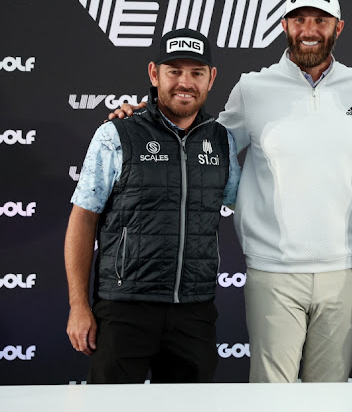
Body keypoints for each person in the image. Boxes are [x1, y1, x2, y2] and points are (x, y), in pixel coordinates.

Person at [110, 0, 352, 382]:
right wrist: (144, 115)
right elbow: (201, 139)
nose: (310, 28)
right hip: (273, 270)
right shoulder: (253, 88)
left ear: (338, 27)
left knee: (331, 396)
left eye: (320, 20)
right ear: (285, 25)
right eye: (299, 19)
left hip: (345, 269)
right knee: (272, 396)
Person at [65, 28, 241, 383]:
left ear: (211, 78)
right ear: (154, 73)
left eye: (196, 72)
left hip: (194, 310)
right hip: (123, 308)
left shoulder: (223, 141)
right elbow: (82, 221)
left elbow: (245, 205)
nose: (185, 82)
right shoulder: (117, 134)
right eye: (174, 71)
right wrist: (79, 306)